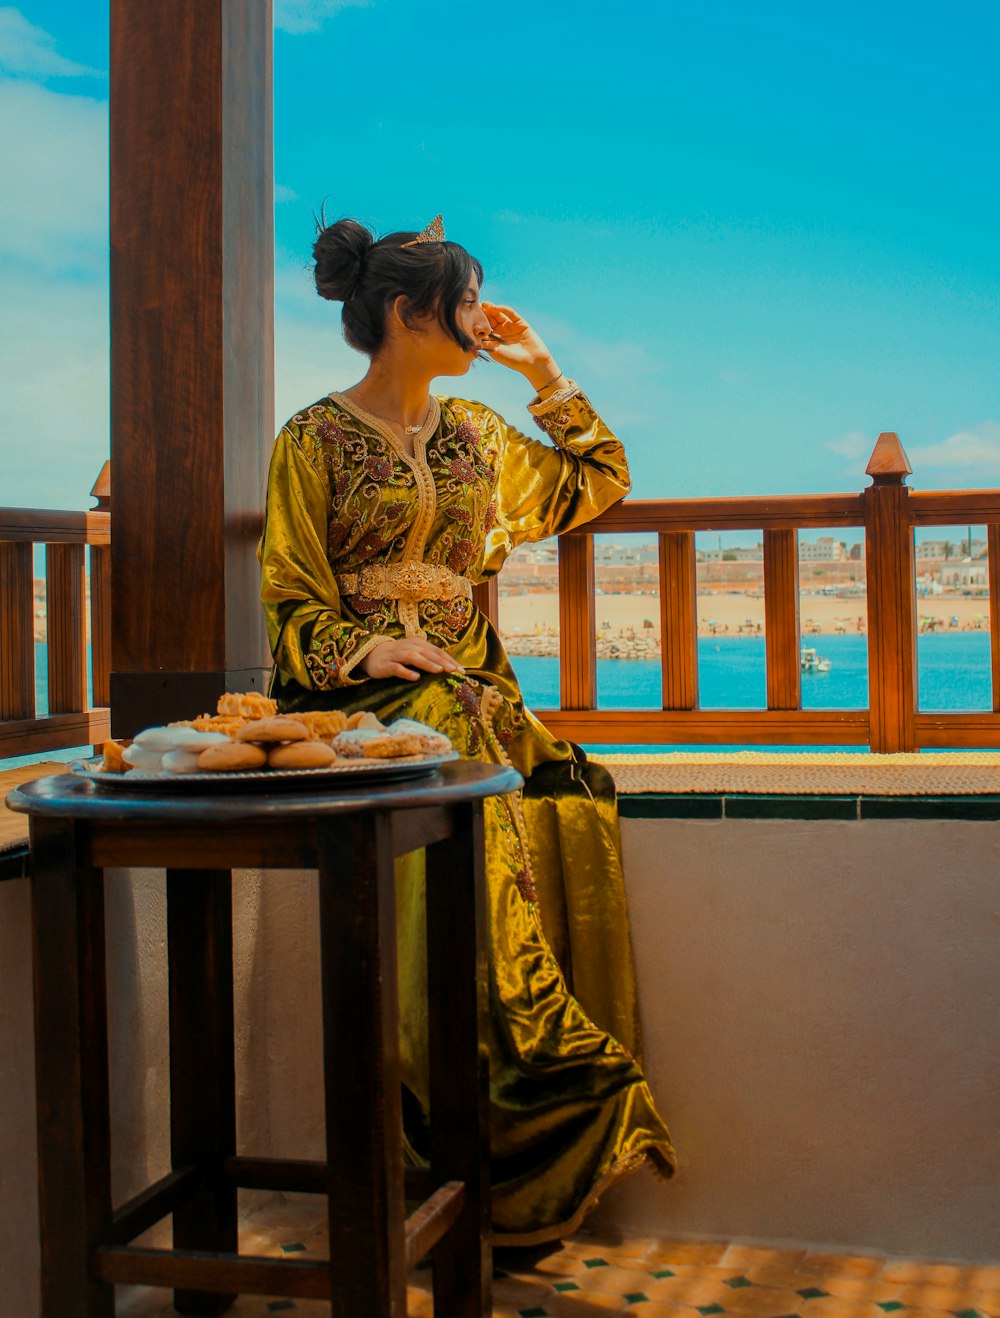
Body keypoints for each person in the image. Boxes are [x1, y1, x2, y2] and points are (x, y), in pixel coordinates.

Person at [259, 214, 676, 1244]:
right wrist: (366, 650)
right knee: (447, 730)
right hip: (360, 698)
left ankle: (536, 1093)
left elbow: (599, 481)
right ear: (407, 312)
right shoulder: (309, 439)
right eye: (468, 298)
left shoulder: (477, 437)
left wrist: (540, 367)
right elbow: (286, 595)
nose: (481, 317)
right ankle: (488, 1075)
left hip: (471, 687)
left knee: (568, 785)